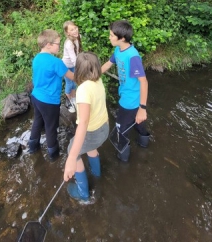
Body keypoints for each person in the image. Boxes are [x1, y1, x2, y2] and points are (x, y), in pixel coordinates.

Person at [101, 20, 150, 162]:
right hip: (126, 95)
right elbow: (108, 65)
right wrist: (92, 75)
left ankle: (123, 158)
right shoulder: (118, 50)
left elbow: (144, 82)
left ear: (121, 38)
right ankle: (144, 142)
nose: (109, 37)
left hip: (131, 100)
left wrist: (142, 108)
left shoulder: (132, 56)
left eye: (111, 35)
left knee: (120, 130)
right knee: (138, 122)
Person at [63, 51, 109, 202]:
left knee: (72, 150)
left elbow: (83, 123)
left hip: (93, 132)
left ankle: (83, 194)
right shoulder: (98, 80)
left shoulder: (83, 90)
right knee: (90, 147)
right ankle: (97, 173)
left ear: (78, 70)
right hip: (104, 128)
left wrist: (71, 158)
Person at [28, 29, 74, 161]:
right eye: (58, 44)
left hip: (36, 97)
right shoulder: (56, 62)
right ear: (48, 44)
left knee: (37, 121)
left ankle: (32, 148)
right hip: (49, 101)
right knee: (51, 127)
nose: (59, 46)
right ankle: (53, 155)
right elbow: (72, 77)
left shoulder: (37, 58)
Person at [62, 21, 83, 113]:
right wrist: (82, 68)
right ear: (67, 33)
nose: (75, 30)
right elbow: (74, 59)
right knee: (69, 83)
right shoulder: (69, 44)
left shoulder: (78, 37)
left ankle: (74, 98)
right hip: (66, 66)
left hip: (74, 64)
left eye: (75, 28)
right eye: (72, 29)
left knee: (74, 82)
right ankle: (68, 100)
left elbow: (78, 52)